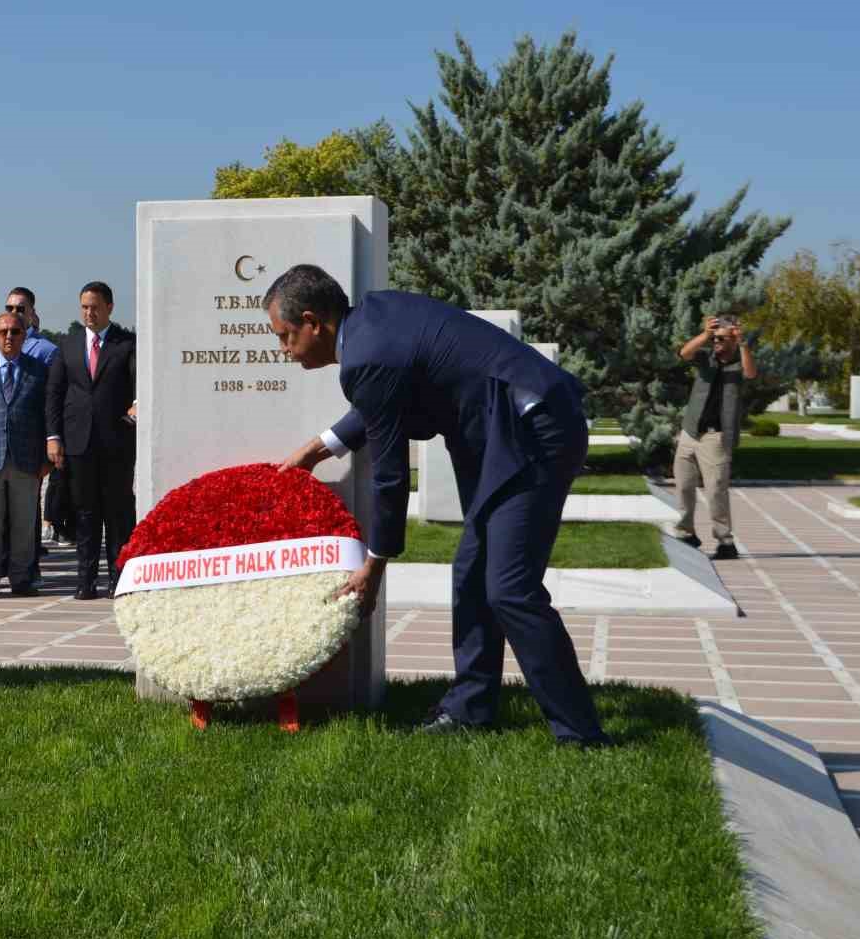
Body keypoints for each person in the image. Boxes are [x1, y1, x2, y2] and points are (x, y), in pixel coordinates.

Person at [272, 264, 608, 746]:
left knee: (510, 589)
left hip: (531, 433)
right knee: (471, 571)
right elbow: (381, 401)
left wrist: (374, 565)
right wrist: (317, 448)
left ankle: (580, 733)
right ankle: (471, 707)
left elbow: (390, 478)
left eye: (285, 337)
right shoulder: (373, 321)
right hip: (508, 429)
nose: (284, 350)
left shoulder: (365, 355)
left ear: (312, 321)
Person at [46, 281, 136, 599]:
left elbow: (140, 389)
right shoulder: (67, 346)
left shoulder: (127, 344)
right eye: (84, 306)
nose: (89, 312)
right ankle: (85, 581)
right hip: (77, 444)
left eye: (95, 306)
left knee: (116, 514)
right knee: (85, 514)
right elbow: (54, 394)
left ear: (109, 307)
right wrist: (53, 437)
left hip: (116, 445)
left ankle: (119, 579)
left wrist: (131, 417)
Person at [0, 312, 50, 597]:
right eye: (3, 332)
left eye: (15, 332)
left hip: (26, 458)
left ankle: (21, 577)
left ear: (24, 336)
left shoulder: (38, 370)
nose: (9, 337)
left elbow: (46, 415)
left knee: (24, 522)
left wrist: (45, 456)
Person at [673, 316, 758, 560]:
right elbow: (684, 353)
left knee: (716, 490)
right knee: (684, 486)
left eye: (722, 338)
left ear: (733, 339)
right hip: (690, 433)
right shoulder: (705, 359)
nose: (717, 342)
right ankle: (686, 533)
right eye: (715, 338)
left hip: (716, 437)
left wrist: (743, 344)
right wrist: (705, 335)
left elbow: (751, 373)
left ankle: (725, 542)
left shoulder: (739, 364)